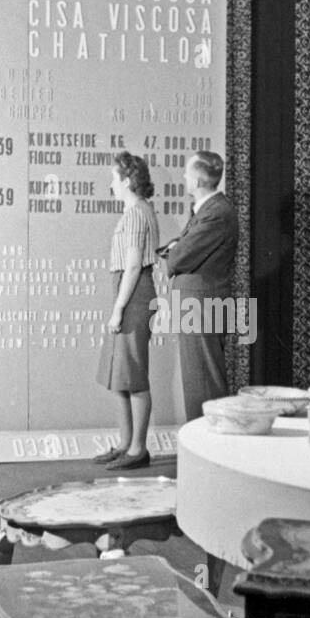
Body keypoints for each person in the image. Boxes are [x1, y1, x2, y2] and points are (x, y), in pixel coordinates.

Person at [95, 150, 159, 469]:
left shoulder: (135, 213)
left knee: (133, 375)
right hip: (130, 291)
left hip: (133, 293)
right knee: (121, 374)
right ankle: (125, 444)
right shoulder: (141, 209)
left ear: (128, 180)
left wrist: (118, 309)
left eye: (114, 178)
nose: (112, 183)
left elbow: (133, 266)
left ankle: (137, 450)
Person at [163, 150, 239, 421]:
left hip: (201, 305)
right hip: (198, 304)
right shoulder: (209, 210)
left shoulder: (216, 212)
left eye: (187, 172)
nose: (184, 176)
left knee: (203, 381)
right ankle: (204, 447)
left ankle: (209, 449)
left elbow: (181, 256)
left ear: (196, 180)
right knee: (198, 380)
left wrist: (173, 254)